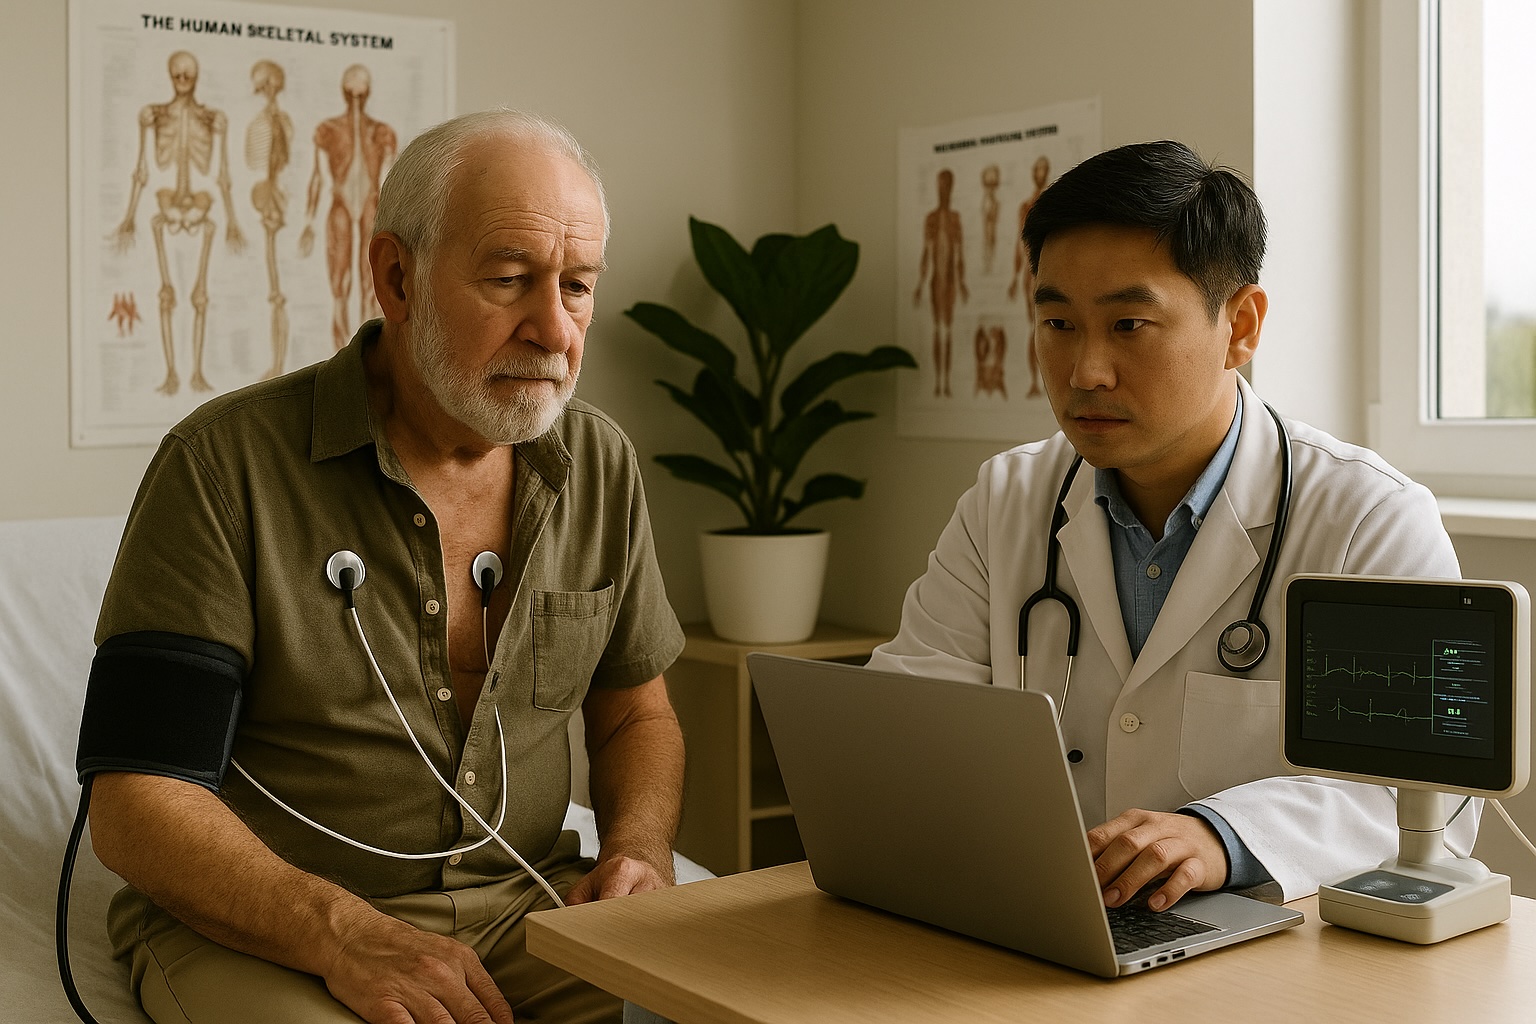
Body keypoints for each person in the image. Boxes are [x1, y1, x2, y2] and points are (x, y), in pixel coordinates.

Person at [86, 109, 687, 1024]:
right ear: (395, 277)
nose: (554, 330)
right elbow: (138, 801)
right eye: (510, 280)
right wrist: (340, 933)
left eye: (577, 286)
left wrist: (639, 851)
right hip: (275, 930)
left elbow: (637, 715)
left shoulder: (599, 467)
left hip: (529, 908)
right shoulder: (221, 467)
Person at [867, 140, 1475, 915]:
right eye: (1057, 323)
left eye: (1128, 324)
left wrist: (1223, 836)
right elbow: (906, 723)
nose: (1085, 370)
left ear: (1242, 325)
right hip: (1046, 918)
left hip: (1271, 951)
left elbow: (1428, 804)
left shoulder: (1366, 516)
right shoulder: (1008, 497)